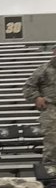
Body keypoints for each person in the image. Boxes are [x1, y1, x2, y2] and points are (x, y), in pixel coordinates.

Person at [23, 46, 56, 177]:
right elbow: (28, 87)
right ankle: (51, 173)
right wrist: (37, 97)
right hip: (52, 108)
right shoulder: (44, 69)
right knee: (53, 140)